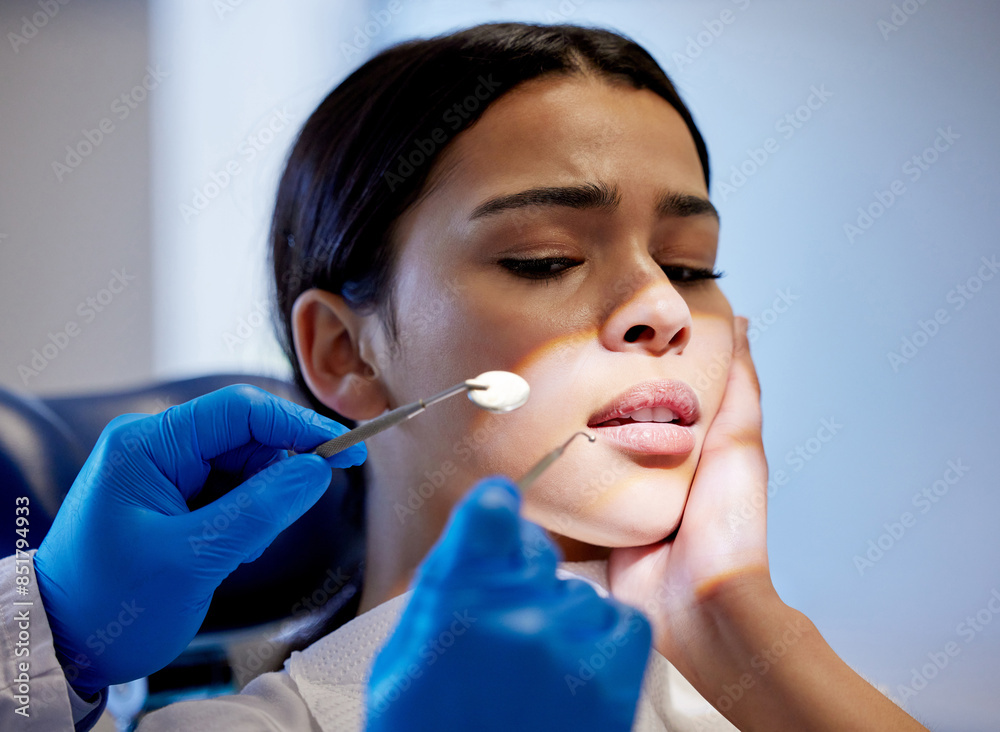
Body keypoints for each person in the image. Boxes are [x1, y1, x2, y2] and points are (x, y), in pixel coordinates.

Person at [0, 21, 930, 731]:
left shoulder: (792, 695)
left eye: (691, 265)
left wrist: (752, 637)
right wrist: (42, 640)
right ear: (344, 353)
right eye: (544, 257)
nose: (667, 306)